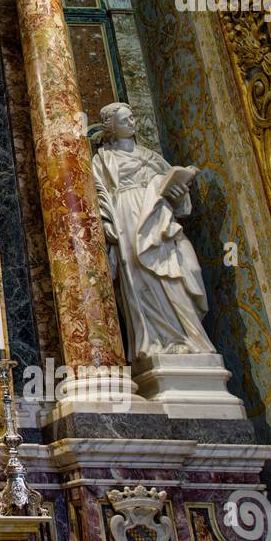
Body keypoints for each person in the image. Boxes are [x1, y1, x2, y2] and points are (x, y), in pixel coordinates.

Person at [92, 102, 214, 358]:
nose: (132, 123)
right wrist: (105, 223)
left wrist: (178, 193)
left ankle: (190, 338)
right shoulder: (103, 159)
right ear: (111, 127)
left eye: (133, 118)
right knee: (140, 276)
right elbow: (97, 195)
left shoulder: (151, 157)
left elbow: (180, 205)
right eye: (125, 120)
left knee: (183, 269)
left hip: (158, 215)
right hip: (126, 216)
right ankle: (157, 341)